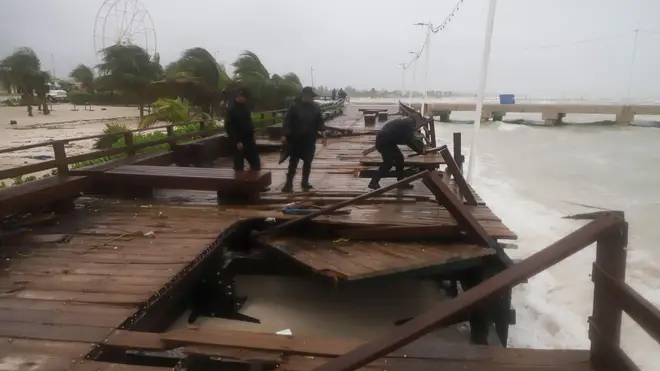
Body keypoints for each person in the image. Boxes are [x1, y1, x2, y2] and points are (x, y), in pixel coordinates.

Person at [281, 86, 326, 192]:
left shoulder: (315, 107)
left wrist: (324, 134)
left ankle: (305, 182)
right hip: (296, 139)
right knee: (293, 163)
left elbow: (320, 121)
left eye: (312, 97)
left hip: (309, 139)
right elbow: (287, 121)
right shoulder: (295, 106)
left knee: (308, 162)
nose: (311, 98)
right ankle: (288, 184)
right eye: (309, 96)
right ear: (304, 95)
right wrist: (284, 135)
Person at [368, 116, 425, 190]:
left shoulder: (406, 122)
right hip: (384, 142)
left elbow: (413, 138)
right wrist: (420, 150)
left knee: (400, 159)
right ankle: (373, 182)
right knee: (388, 163)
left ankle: (401, 182)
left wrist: (421, 147)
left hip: (388, 141)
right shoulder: (408, 125)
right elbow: (409, 141)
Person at [224, 89, 261, 172]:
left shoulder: (245, 107)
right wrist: (236, 141)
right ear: (239, 96)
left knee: (256, 163)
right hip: (238, 141)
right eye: (244, 97)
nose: (245, 99)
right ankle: (238, 183)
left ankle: (253, 182)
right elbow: (228, 127)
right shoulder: (232, 109)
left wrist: (253, 134)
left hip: (249, 139)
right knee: (239, 166)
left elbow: (249, 122)